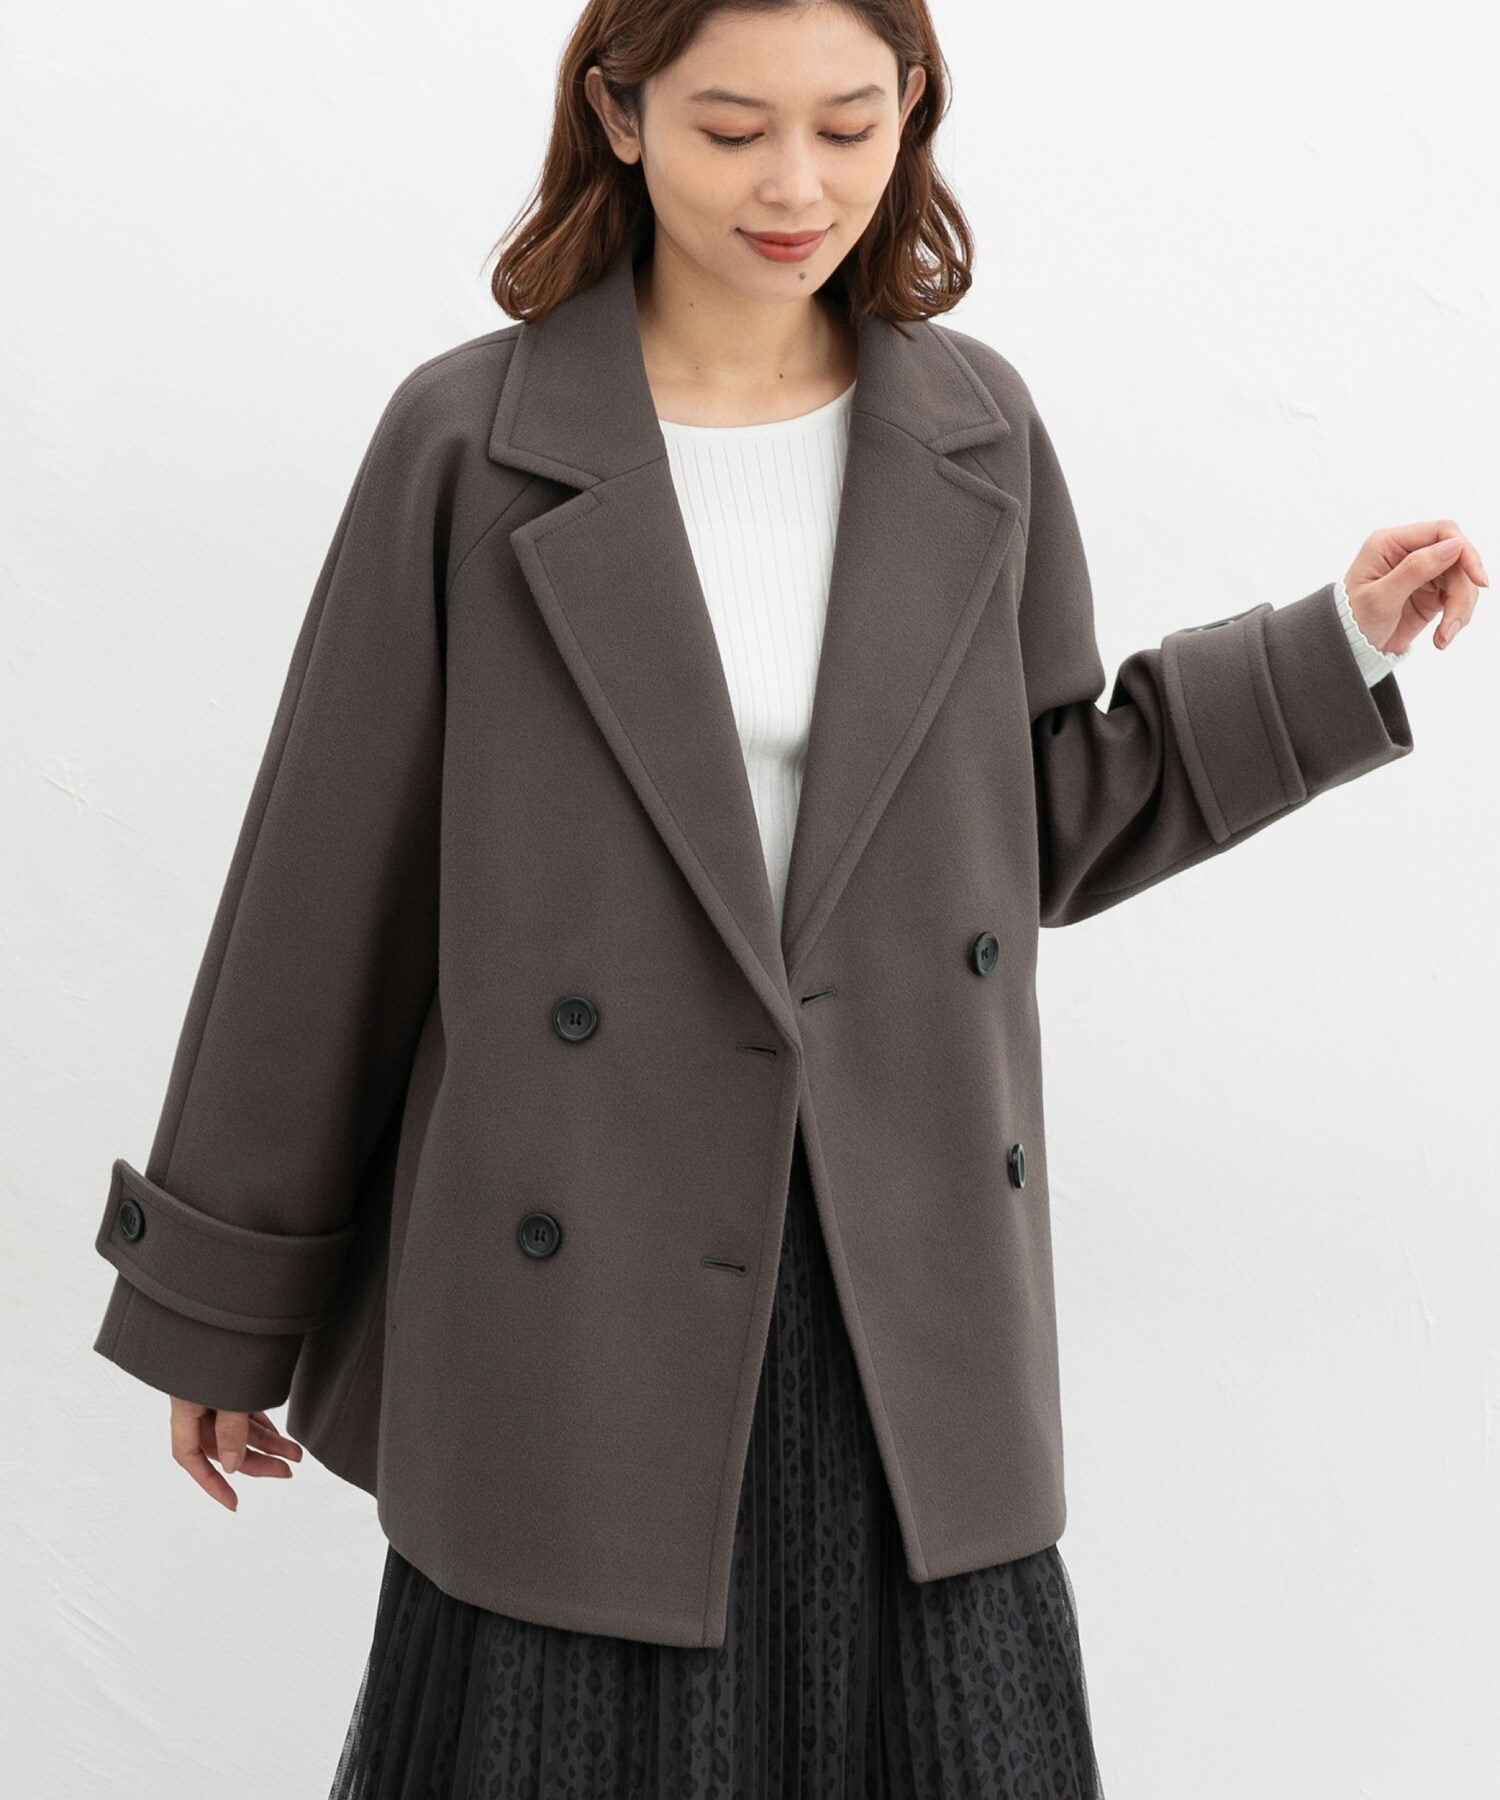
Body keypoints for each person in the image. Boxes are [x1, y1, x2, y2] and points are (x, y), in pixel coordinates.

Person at [89, 2, 1483, 1796]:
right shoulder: (469, 442)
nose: (798, 188)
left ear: (913, 107)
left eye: (848, 124)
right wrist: (219, 1301)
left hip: (898, 1275)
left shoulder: (975, 430)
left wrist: (1332, 648)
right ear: (620, 112)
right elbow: (323, 887)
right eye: (734, 129)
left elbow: (1037, 820)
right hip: (581, 1292)